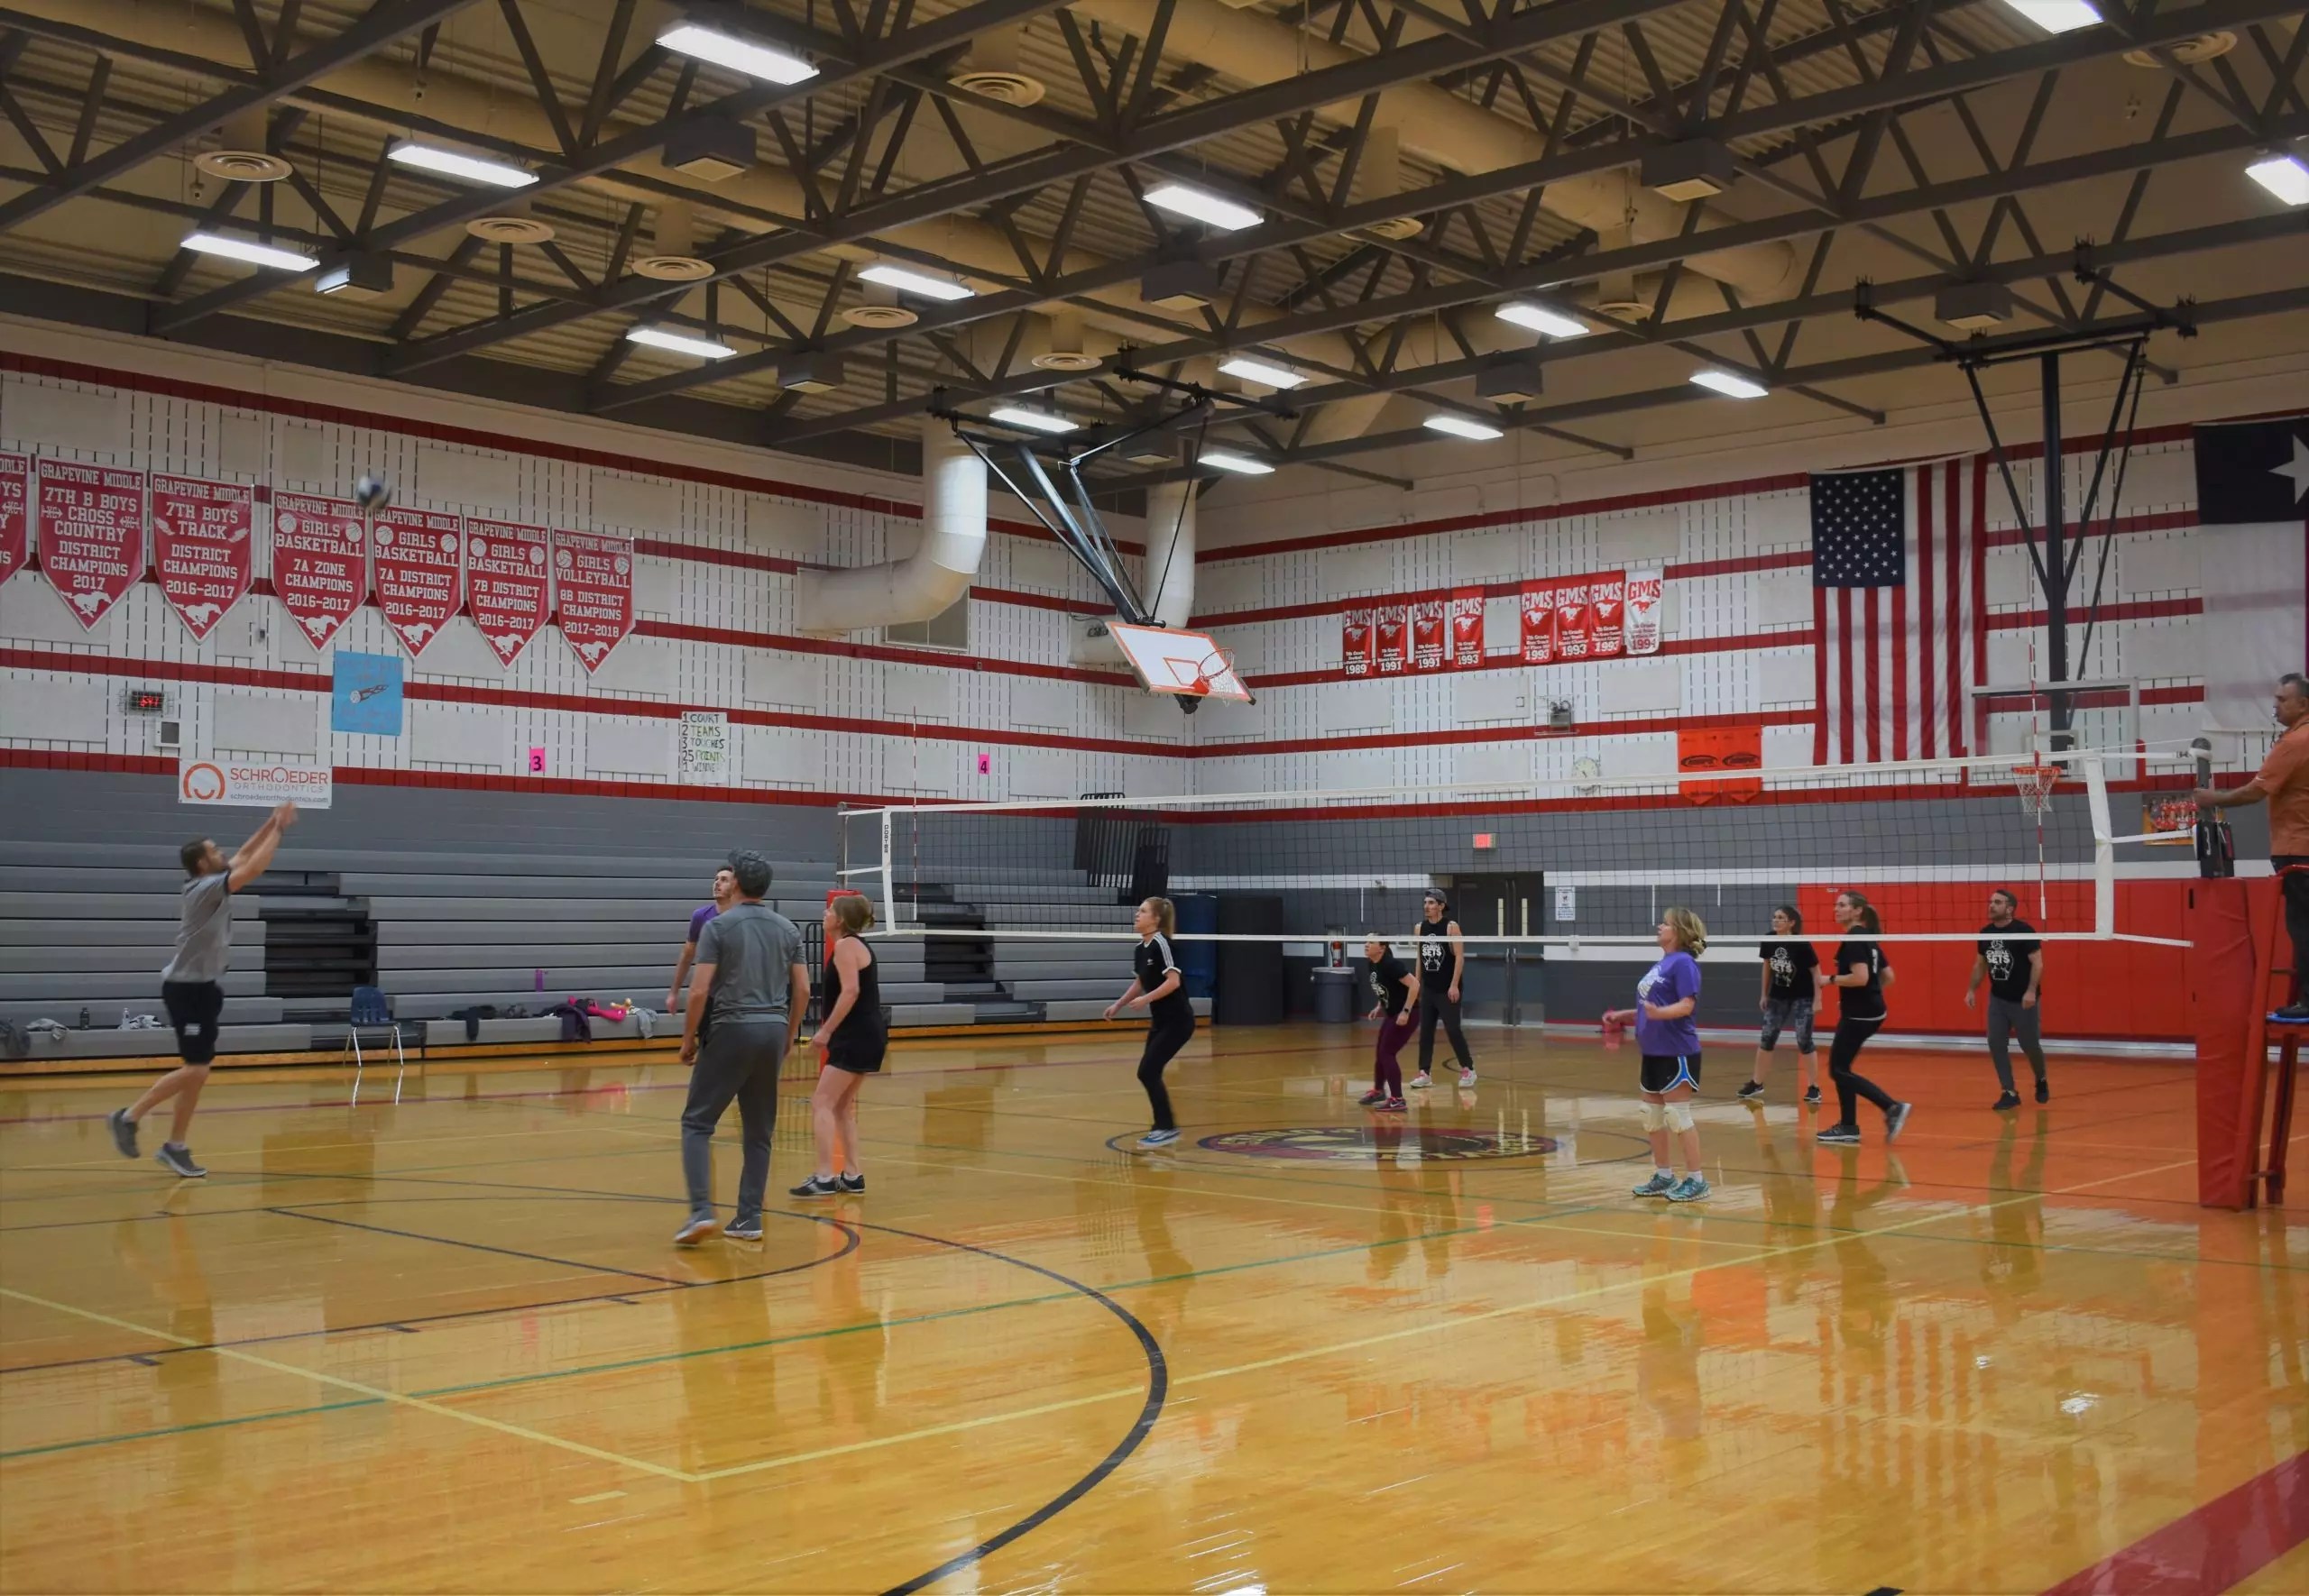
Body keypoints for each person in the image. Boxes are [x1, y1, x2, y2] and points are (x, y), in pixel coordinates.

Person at [108, 803, 297, 1179]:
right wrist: (281, 831)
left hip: (205, 988)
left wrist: (271, 822)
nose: (222, 853)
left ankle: (175, 1146)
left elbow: (244, 855)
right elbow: (254, 867)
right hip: (185, 990)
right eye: (214, 852)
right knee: (195, 1069)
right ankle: (128, 1117)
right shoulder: (203, 889)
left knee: (199, 1071)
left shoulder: (212, 878)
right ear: (201, 865)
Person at [674, 851, 805, 1246]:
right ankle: (749, 1219)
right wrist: (789, 1035)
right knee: (759, 1132)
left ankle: (700, 1212)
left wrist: (687, 1038)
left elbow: (699, 990)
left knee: (696, 1123)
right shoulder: (788, 929)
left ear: (739, 885)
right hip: (773, 1028)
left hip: (731, 1027)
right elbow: (803, 989)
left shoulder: (720, 927)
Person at [2194, 672, 2309, 1021]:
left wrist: (2213, 798)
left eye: (2282, 699)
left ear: (2303, 704)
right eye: (2275, 698)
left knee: (2302, 928)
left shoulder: (2295, 743)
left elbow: (2256, 790)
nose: (2275, 704)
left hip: (2297, 850)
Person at [792, 892, 887, 1198]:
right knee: (843, 1106)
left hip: (855, 1035)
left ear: (841, 919)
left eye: (830, 909)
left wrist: (826, 1031)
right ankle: (853, 1174)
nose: (825, 912)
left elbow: (851, 992)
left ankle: (824, 1176)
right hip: (867, 1034)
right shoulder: (854, 945)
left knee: (822, 1102)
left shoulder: (846, 946)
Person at [1817, 890, 1913, 1147]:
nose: (1836, 909)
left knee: (1838, 1070)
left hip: (1860, 1014)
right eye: (1836, 905)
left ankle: (1891, 1107)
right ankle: (1848, 1127)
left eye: (1842, 905)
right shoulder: (1866, 937)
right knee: (1842, 1068)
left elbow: (1860, 978)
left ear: (1857, 911)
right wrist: (1865, 994)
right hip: (1869, 1010)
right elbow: (1888, 976)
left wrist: (1831, 980)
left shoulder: (1855, 940)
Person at [1630, 907, 1710, 1203]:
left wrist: (1658, 1013)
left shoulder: (1684, 963)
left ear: (1679, 931)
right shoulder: (1662, 964)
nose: (1659, 926)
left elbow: (1687, 1005)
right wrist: (1627, 1015)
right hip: (1652, 1050)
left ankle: (1697, 1180)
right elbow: (1649, 1007)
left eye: (1665, 923)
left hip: (1677, 1050)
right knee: (1652, 1117)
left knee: (1678, 1116)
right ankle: (1664, 1176)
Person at [1105, 896, 1192, 1149]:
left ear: (1156, 919)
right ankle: (1164, 1126)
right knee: (1148, 1073)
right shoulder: (1140, 949)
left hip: (1178, 1021)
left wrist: (1146, 1000)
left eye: (1142, 911)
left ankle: (1166, 1127)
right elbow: (1140, 982)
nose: (1137, 915)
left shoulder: (1161, 944)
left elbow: (1173, 982)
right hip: (1161, 1022)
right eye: (1138, 911)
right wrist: (1118, 1005)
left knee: (1147, 1071)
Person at [1966, 887, 2048, 1109]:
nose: (1991, 906)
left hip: (2023, 999)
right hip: (1999, 999)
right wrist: (1972, 989)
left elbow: (2038, 963)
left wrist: (2031, 991)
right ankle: (2009, 1091)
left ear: (2010, 908)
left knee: (2029, 1045)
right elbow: (1980, 964)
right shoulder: (1985, 933)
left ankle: (2040, 1078)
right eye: (1990, 901)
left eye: (1997, 902)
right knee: (1995, 1043)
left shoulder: (2024, 931)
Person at [1740, 904, 1821, 1105]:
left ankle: (1814, 1087)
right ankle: (1756, 1082)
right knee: (1767, 1038)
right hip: (1778, 996)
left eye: (1781, 918)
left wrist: (1818, 999)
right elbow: (1767, 966)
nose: (1776, 920)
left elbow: (1816, 971)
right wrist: (1763, 994)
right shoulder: (1769, 939)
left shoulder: (1801, 943)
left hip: (1803, 996)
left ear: (1791, 923)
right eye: (1774, 917)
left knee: (1804, 1040)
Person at [1412, 891, 1476, 1087]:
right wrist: (1416, 985)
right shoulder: (1419, 928)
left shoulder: (1451, 927)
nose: (1426, 906)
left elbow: (1459, 957)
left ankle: (1468, 1069)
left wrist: (1454, 985)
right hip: (1429, 989)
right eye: (1425, 903)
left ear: (1441, 906)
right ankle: (1424, 1073)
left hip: (1447, 989)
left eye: (1431, 903)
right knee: (1426, 1032)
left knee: (1453, 1029)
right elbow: (1419, 958)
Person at [1357, 934, 1419, 1111]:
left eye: (1371, 942)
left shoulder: (1391, 964)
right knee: (1380, 1052)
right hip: (1392, 1013)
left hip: (1408, 1013)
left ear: (1382, 947)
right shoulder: (1372, 963)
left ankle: (1398, 1099)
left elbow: (1415, 985)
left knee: (1387, 1054)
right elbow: (1386, 988)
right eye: (1366, 941)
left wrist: (1406, 1011)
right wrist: (1379, 1006)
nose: (1366, 945)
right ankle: (1378, 1090)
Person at [666, 865, 737, 1015]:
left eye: (724, 880)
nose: (717, 883)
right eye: (716, 879)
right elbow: (687, 955)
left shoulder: (742, 917)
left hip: (736, 998)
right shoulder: (700, 916)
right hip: (708, 996)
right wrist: (674, 992)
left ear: (735, 886)